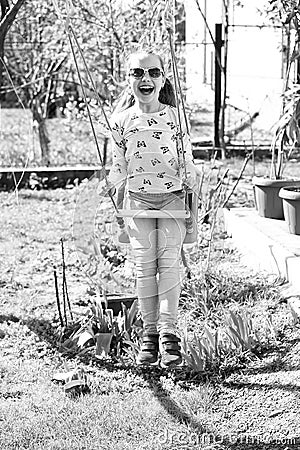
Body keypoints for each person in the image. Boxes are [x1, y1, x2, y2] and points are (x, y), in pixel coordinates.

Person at [108, 48, 198, 367]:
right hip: (138, 199)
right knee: (145, 267)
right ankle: (150, 334)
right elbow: (118, 164)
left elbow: (186, 157)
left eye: (153, 73)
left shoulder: (175, 117)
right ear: (128, 78)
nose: (145, 79)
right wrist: (113, 187)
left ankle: (169, 334)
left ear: (162, 78)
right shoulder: (120, 121)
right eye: (137, 73)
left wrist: (191, 186)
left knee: (169, 265)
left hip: (172, 197)